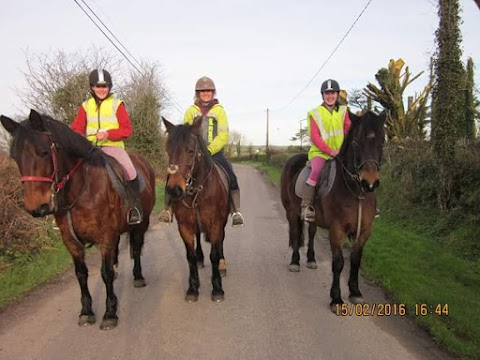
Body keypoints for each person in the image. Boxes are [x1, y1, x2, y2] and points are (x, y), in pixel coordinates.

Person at [158, 76, 245, 227]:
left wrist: (209, 150)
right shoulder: (191, 111)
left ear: (213, 93)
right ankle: (168, 209)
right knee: (172, 175)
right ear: (197, 93)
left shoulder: (219, 111)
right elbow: (184, 134)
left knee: (231, 175)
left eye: (208, 91)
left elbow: (223, 134)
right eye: (202, 91)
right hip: (192, 154)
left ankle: (235, 211)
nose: (205, 94)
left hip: (214, 153)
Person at [71, 68, 143, 225]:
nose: (101, 89)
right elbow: (76, 128)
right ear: (92, 87)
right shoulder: (85, 106)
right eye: (98, 86)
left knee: (130, 171)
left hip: (113, 147)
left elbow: (126, 130)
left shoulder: (117, 105)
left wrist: (108, 134)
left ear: (109, 87)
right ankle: (64, 211)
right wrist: (80, 140)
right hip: (89, 149)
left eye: (104, 86)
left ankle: (134, 207)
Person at [301, 79, 351, 222]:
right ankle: (306, 206)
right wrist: (330, 151)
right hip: (320, 153)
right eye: (327, 93)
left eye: (333, 93)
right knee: (316, 171)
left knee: (357, 169)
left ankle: (367, 205)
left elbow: (348, 130)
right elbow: (315, 137)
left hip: (341, 152)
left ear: (337, 94)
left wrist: (344, 149)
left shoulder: (343, 111)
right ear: (323, 95)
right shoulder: (315, 113)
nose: (330, 96)